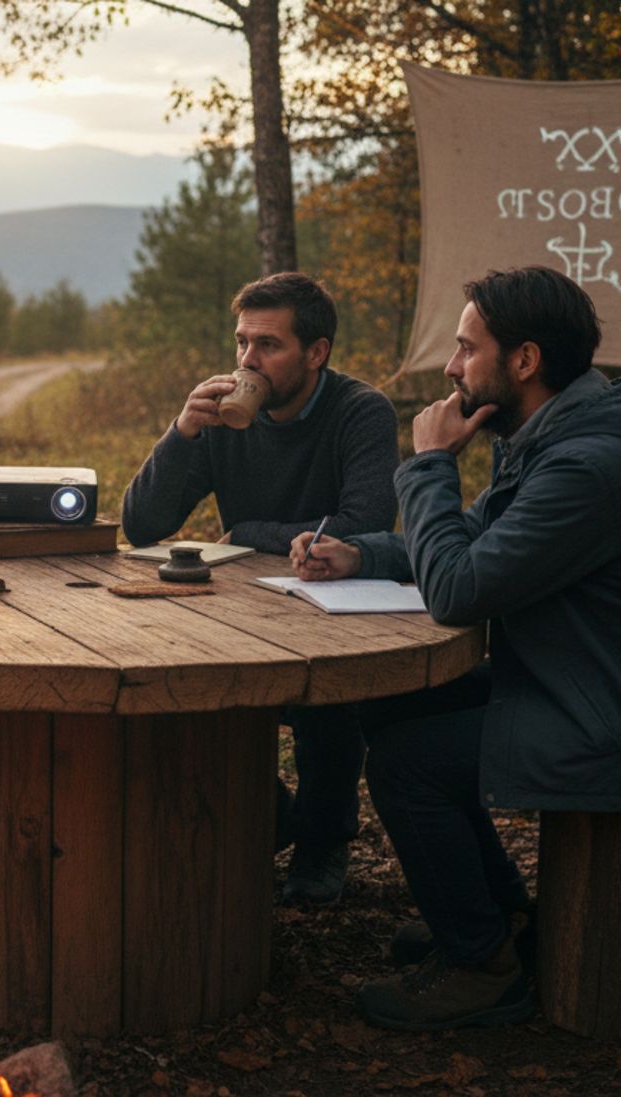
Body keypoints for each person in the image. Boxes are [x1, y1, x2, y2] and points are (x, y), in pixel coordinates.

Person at [292, 265, 621, 1030]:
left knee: (408, 764)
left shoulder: (587, 467)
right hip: (582, 685)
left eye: (467, 349)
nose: (451, 367)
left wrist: (428, 464)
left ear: (525, 360)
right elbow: (473, 539)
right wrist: (361, 553)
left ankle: (482, 966)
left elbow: (460, 589)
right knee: (393, 703)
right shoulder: (549, 439)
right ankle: (500, 916)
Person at [121, 271, 399, 906]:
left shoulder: (361, 411)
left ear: (316, 352)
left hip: (332, 606)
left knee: (327, 697)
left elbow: (365, 524)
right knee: (177, 687)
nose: (248, 360)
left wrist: (248, 531)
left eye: (268, 345)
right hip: (242, 607)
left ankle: (323, 839)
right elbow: (142, 526)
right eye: (242, 342)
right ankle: (270, 817)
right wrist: (181, 433)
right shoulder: (224, 419)